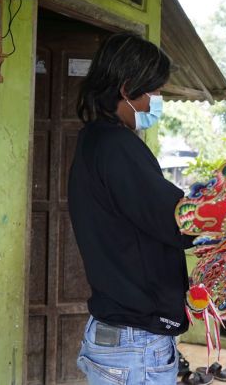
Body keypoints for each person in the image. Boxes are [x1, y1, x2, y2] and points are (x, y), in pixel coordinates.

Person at [68, 33, 191, 385]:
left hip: (116, 330)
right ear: (127, 89)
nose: (158, 100)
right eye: (154, 91)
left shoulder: (93, 140)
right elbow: (178, 221)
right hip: (135, 341)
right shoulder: (117, 146)